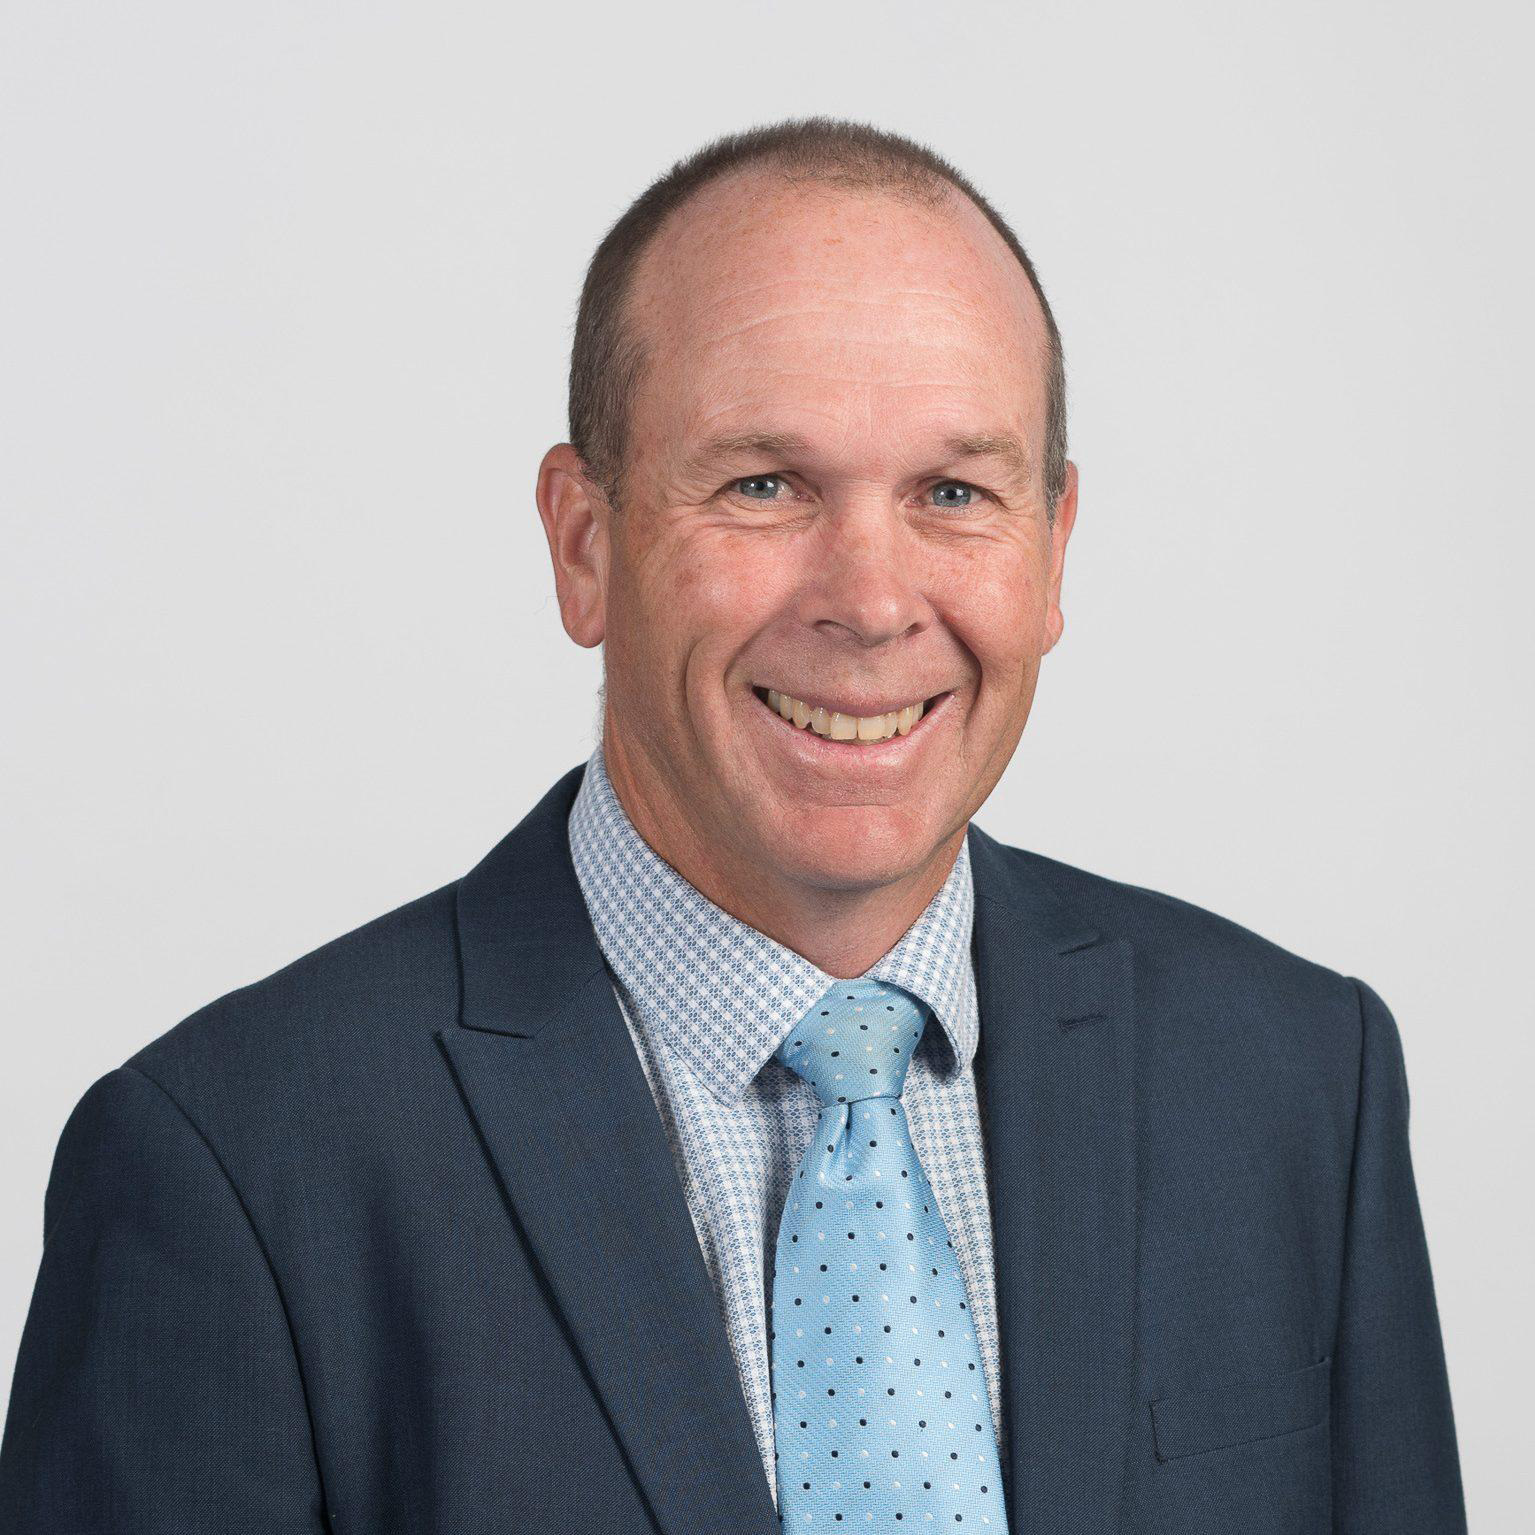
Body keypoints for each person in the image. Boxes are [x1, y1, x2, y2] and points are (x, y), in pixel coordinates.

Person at [0, 116, 1466, 1533]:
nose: (872, 602)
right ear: (584, 542)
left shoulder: (1296, 1083)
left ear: (1053, 548)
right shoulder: (237, 1170)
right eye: (764, 485)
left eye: (955, 492)